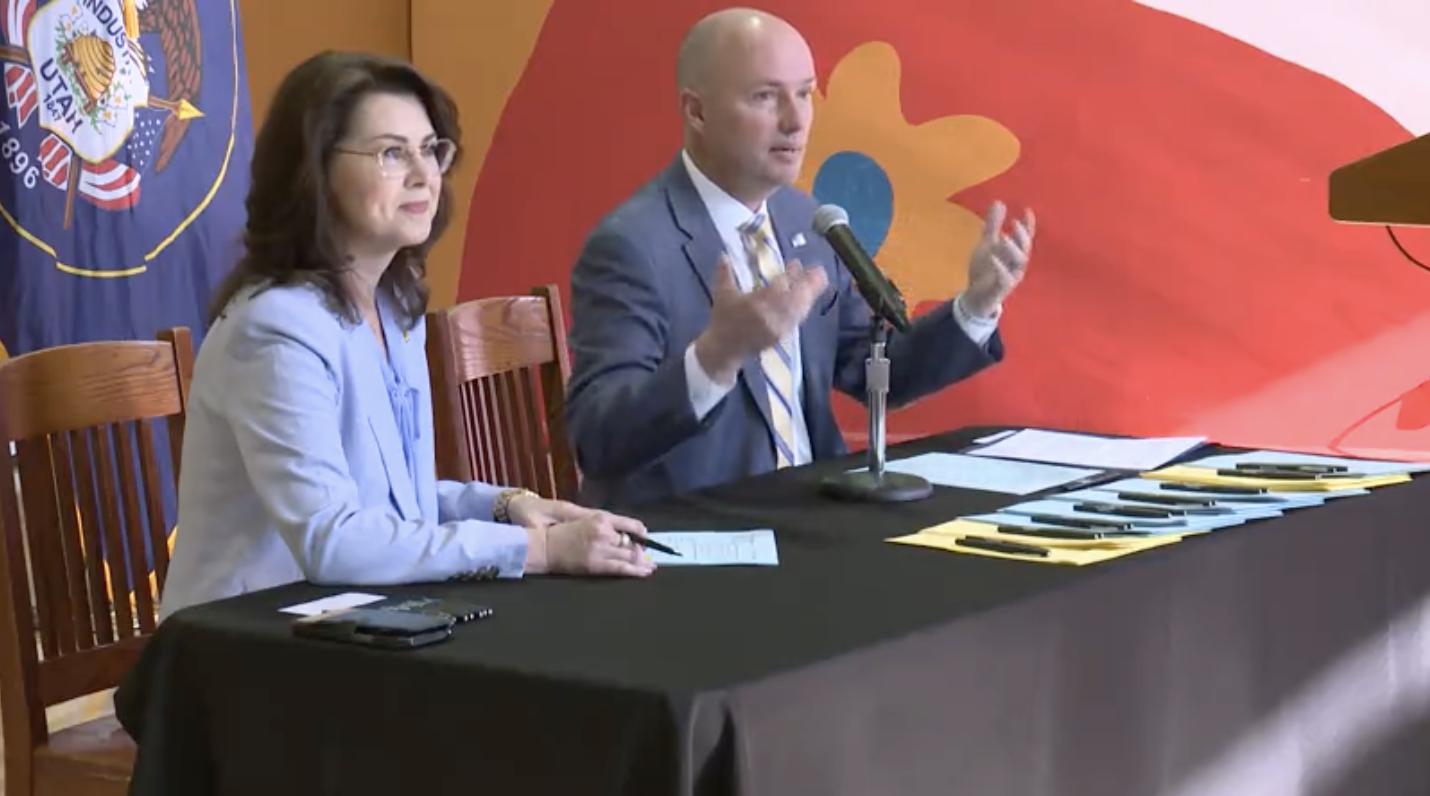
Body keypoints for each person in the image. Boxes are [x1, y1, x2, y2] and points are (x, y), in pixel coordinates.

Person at [160, 52, 654, 620]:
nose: (425, 176)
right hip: (244, 646)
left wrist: (508, 507)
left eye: (431, 149)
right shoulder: (274, 329)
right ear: (314, 172)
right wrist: (537, 550)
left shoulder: (396, 308)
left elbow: (394, 504)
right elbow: (334, 539)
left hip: (360, 622)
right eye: (393, 153)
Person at [565, 8, 1037, 507]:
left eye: (806, 93)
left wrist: (975, 307)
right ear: (696, 112)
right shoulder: (632, 247)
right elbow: (598, 441)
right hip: (697, 535)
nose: (795, 121)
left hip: (814, 518)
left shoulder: (805, 220)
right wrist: (716, 357)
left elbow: (876, 370)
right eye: (766, 97)